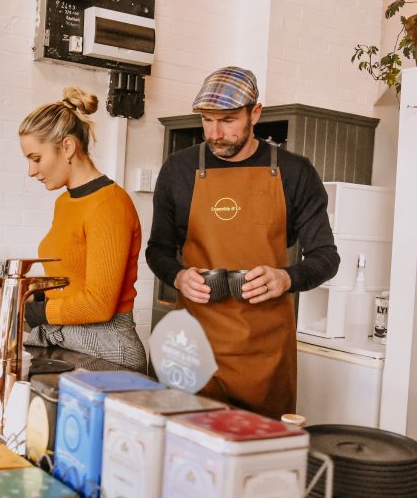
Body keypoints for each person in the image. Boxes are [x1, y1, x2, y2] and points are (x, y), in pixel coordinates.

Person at [145, 66, 339, 418]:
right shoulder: (178, 169)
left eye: (228, 120)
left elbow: (326, 256)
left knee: (259, 458)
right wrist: (177, 276)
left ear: (256, 113)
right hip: (194, 345)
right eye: (207, 120)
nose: (215, 133)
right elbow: (157, 250)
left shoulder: (295, 173)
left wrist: (287, 278)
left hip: (264, 351)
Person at [0, 86, 147, 372]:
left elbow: (98, 305)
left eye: (36, 158)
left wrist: (17, 309)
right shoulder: (65, 202)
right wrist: (19, 295)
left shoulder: (109, 205)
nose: (31, 171)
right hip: (67, 341)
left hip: (108, 352)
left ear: (68, 147)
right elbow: (71, 284)